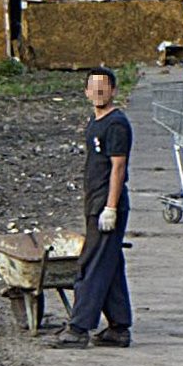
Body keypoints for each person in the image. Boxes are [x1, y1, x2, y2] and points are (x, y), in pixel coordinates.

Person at [52, 65, 133, 349]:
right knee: (109, 264)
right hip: (95, 203)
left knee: (92, 264)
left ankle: (78, 328)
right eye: (93, 87)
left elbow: (118, 166)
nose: (98, 92)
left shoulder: (116, 124)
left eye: (104, 87)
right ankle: (119, 328)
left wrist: (110, 207)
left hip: (106, 205)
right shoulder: (95, 121)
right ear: (87, 91)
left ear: (113, 90)